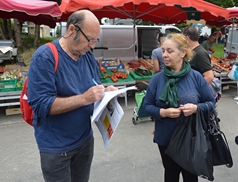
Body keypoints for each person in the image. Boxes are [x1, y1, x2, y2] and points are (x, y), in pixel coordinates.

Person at [27, 10, 117, 182]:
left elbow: (94, 86)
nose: (92, 45)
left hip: (84, 141)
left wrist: (105, 93)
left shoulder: (87, 56)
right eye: (89, 39)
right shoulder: (44, 57)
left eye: (94, 40)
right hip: (56, 148)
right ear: (71, 30)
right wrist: (85, 98)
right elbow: (41, 105)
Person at [143, 33, 216, 182]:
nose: (164, 55)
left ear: (183, 52)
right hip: (166, 138)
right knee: (170, 174)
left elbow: (210, 103)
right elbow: (146, 106)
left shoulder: (195, 77)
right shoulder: (157, 79)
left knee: (190, 176)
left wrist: (196, 108)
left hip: (190, 138)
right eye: (163, 50)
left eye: (170, 51)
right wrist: (163, 112)